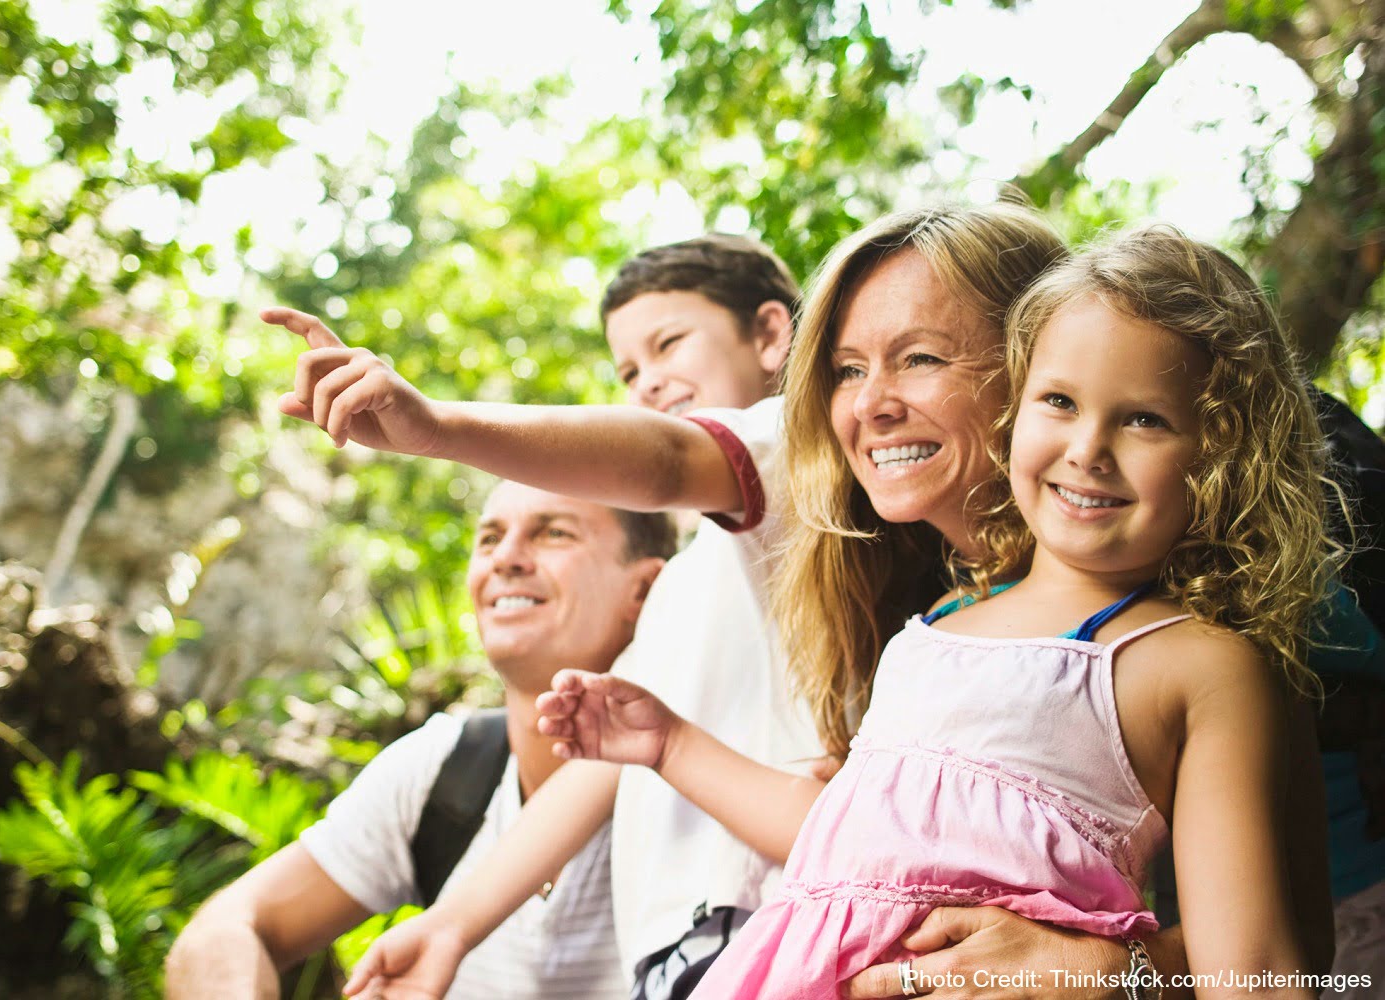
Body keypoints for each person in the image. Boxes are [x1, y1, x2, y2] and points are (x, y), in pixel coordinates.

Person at [269, 207, 1334, 1000]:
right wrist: (667, 744)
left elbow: (1280, 968)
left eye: (1142, 417)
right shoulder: (939, 623)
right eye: (849, 368)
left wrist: (1106, 970)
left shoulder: (1195, 661)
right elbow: (851, 837)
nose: (1087, 446)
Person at [268, 234, 817, 1000]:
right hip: (677, 966)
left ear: (768, 334)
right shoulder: (690, 581)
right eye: (629, 370)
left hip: (774, 935)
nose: (651, 382)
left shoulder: (805, 454)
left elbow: (665, 458)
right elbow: (602, 765)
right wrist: (453, 923)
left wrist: (438, 429)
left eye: (669, 345)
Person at [163, 481, 676, 1000]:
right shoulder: (447, 770)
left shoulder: (700, 782)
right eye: (489, 538)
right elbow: (224, 929)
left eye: (555, 533)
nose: (506, 558)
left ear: (646, 589)